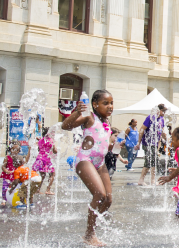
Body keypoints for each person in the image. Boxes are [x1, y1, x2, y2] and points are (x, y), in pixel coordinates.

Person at [62, 90, 115, 246]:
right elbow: (66, 126)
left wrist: (114, 145)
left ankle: (93, 229)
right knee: (99, 194)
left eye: (111, 103)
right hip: (85, 160)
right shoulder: (89, 117)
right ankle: (89, 235)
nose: (110, 106)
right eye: (105, 103)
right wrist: (77, 111)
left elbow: (103, 144)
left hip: (100, 163)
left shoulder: (106, 122)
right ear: (94, 104)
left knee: (108, 199)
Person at [137, 104, 166, 185]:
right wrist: (138, 143)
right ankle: (143, 180)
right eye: (163, 111)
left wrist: (160, 145)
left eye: (165, 111)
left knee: (153, 161)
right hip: (148, 143)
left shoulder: (162, 119)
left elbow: (161, 133)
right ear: (158, 110)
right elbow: (142, 129)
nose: (164, 113)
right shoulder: (150, 117)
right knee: (150, 161)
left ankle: (151, 180)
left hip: (155, 144)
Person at [32, 127, 57, 195]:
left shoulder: (40, 140)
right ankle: (48, 190)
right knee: (52, 174)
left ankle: (38, 189)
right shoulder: (51, 140)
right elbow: (54, 151)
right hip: (47, 159)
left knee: (42, 175)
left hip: (39, 159)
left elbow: (39, 150)